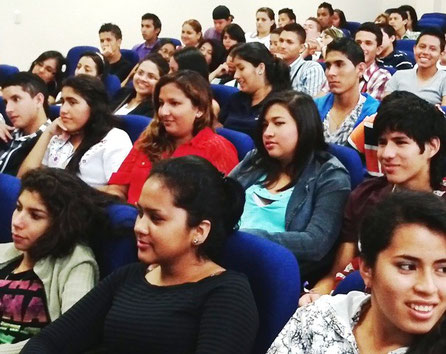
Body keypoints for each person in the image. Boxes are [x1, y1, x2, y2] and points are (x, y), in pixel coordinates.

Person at [22, 156, 258, 354]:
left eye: (156, 218)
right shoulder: (130, 276)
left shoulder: (226, 293)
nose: (139, 227)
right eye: (140, 213)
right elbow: (48, 342)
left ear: (199, 231)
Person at [301, 91, 446, 304]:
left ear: (432, 147)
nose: (386, 154)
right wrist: (316, 295)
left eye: (400, 142)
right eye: (382, 142)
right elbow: (337, 275)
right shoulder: (365, 196)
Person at [269, 190, 446, 353]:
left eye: (443, 269)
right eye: (407, 267)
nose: (428, 287)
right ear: (367, 269)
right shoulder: (320, 318)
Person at [230, 90, 350, 284]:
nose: (268, 132)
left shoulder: (330, 175)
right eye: (265, 125)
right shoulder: (255, 159)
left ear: (304, 127)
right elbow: (219, 199)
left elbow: (315, 243)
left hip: (270, 272)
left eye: (278, 123)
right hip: (225, 255)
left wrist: (249, 238)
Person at [0, 167, 104, 352]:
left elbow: (71, 335)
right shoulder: (4, 252)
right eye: (18, 208)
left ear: (61, 223)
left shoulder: (76, 262)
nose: (17, 221)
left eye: (35, 216)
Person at [106, 70, 238, 204]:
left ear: (200, 110)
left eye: (174, 103)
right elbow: (118, 187)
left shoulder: (218, 149)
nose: (163, 112)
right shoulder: (148, 139)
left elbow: (221, 210)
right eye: (161, 103)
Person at [18, 75, 132, 188]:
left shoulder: (115, 139)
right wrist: (48, 133)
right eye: (63, 102)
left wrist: (65, 193)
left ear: (94, 106)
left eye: (72, 102)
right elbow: (24, 178)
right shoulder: (58, 136)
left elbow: (117, 193)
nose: (63, 110)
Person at [315, 38, 380, 145]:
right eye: (328, 66)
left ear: (360, 69)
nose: (331, 72)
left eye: (339, 64)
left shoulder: (374, 114)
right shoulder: (315, 107)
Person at [219, 42, 291, 138]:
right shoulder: (235, 99)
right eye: (235, 69)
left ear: (260, 68)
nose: (236, 75)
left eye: (241, 68)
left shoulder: (281, 104)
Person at [0, 73, 51, 176]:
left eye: (16, 99)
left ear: (38, 100)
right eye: (5, 102)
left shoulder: (50, 144)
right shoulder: (8, 131)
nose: (8, 109)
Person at [385, 28, 446, 105]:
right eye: (422, 47)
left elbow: (444, 113)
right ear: (414, 48)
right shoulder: (398, 75)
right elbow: (385, 108)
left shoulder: (444, 79)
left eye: (432, 49)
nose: (425, 52)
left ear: (441, 54)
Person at [279, 23, 326, 96]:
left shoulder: (311, 69)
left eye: (289, 42)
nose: (283, 46)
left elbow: (310, 103)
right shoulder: (273, 68)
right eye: (281, 41)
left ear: (302, 48)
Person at [355, 22, 391, 101]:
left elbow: (368, 110)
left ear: (378, 50)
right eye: (358, 43)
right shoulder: (340, 69)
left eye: (368, 43)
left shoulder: (382, 77)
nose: (361, 47)